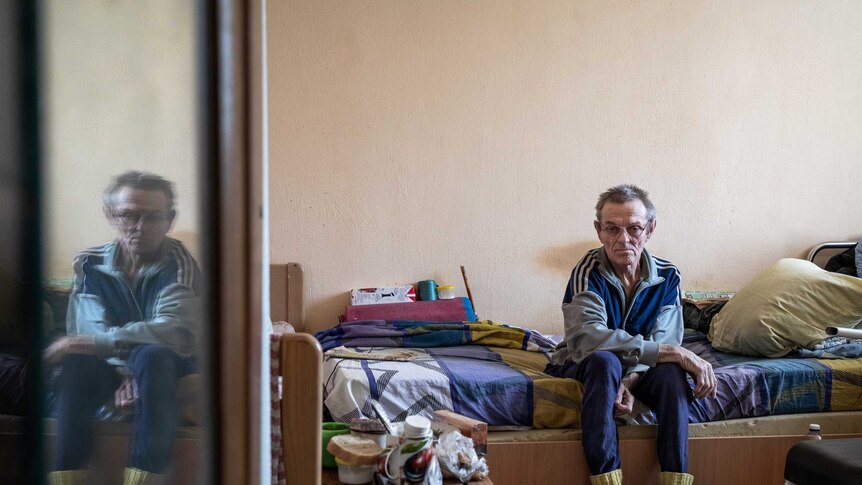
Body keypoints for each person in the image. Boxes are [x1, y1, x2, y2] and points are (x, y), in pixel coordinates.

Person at [547, 184, 716, 485]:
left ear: (650, 229)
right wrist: (675, 353)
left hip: (641, 369)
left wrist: (631, 379)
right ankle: (607, 479)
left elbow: (665, 338)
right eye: (612, 229)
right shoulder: (588, 270)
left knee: (671, 376)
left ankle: (675, 480)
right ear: (599, 231)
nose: (623, 239)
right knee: (605, 362)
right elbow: (587, 338)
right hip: (584, 361)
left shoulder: (668, 275)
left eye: (634, 228)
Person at [44, 171, 201, 485]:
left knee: (153, 355)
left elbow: (170, 330)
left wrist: (125, 363)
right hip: (110, 369)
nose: (139, 227)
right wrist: (123, 371)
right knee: (77, 364)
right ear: (111, 216)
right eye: (128, 215)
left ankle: (143, 480)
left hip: (165, 366)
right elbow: (87, 327)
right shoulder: (88, 262)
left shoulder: (181, 262)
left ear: (169, 219)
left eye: (152, 217)